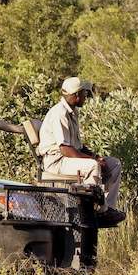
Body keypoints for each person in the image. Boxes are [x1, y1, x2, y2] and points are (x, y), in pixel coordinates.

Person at [38, 77, 125, 225]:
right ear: (76, 95)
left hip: (67, 158)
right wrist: (93, 161)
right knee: (92, 166)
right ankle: (93, 210)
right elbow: (65, 149)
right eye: (85, 93)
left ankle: (106, 208)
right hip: (56, 162)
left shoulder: (72, 112)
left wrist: (96, 156)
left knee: (114, 164)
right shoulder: (60, 114)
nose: (86, 97)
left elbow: (78, 146)